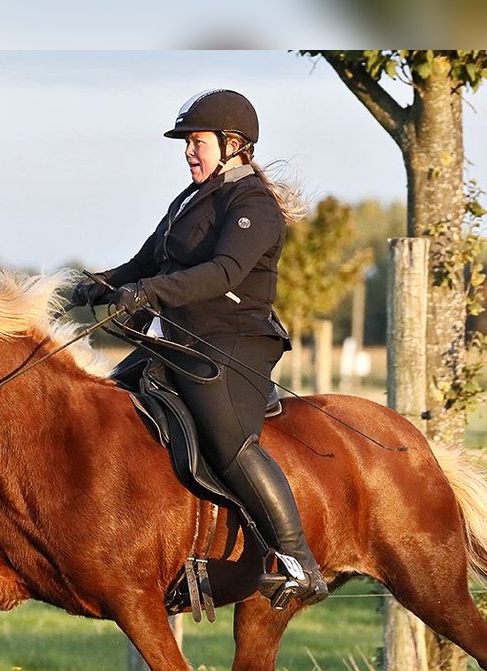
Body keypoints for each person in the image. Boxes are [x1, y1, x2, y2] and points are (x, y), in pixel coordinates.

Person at [71, 88, 328, 609]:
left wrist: (153, 292)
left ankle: (299, 561)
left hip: (233, 341)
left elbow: (226, 272)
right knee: (105, 411)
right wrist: (83, 287)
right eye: (186, 142)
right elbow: (142, 264)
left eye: (198, 141)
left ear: (233, 144)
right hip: (179, 340)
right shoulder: (188, 200)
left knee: (229, 442)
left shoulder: (253, 203)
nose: (189, 151)